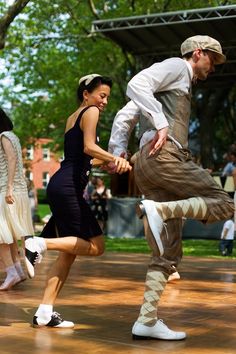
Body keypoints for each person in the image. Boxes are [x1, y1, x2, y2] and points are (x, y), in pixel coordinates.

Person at [108, 35, 234, 340]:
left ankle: (146, 320)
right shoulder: (178, 66)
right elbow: (136, 84)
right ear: (198, 53)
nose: (213, 68)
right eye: (212, 60)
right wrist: (162, 124)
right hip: (164, 157)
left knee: (168, 252)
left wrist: (118, 149)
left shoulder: (176, 82)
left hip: (148, 166)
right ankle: (160, 210)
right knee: (225, 201)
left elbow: (126, 114)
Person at [23, 74, 132, 328]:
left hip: (61, 185)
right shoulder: (90, 111)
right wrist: (115, 158)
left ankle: (44, 313)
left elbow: (83, 158)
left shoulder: (73, 117)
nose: (104, 102)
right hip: (69, 188)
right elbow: (88, 147)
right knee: (96, 246)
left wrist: (106, 163)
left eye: (107, 97)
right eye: (101, 95)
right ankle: (38, 243)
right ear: (86, 94)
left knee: (69, 255)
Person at [0, 108, 34, 290]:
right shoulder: (12, 136)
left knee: (1, 235)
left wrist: (9, 187)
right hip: (14, 190)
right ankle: (18, 271)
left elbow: (12, 159)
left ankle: (12, 272)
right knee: (9, 235)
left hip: (8, 190)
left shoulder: (4, 136)